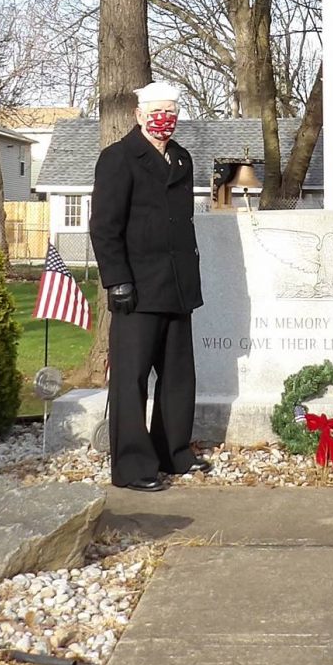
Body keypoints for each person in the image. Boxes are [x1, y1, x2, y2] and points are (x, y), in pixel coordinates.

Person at [89, 81, 209, 491]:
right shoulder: (118, 158)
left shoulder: (182, 159)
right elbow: (104, 228)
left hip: (177, 287)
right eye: (157, 112)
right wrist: (117, 280)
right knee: (131, 379)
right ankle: (132, 467)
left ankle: (173, 453)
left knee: (178, 377)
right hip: (137, 290)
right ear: (139, 115)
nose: (165, 120)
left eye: (172, 113)